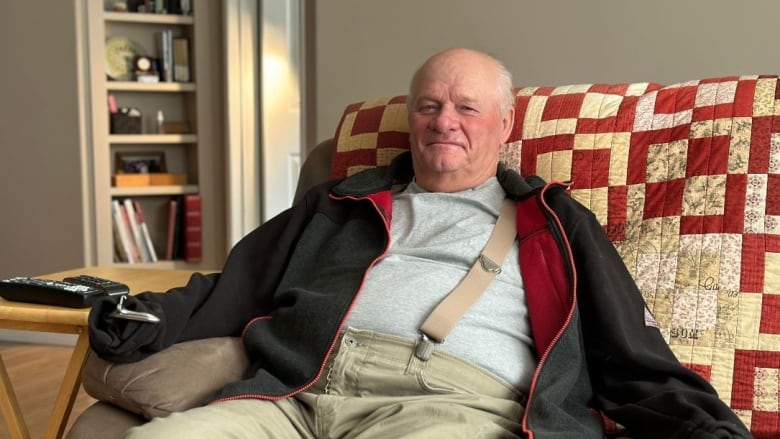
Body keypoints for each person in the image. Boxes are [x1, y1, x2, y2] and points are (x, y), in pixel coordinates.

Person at [89, 48, 752, 438]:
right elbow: (234, 284)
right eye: (430, 106)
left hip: (444, 403)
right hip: (295, 390)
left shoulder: (553, 222)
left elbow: (635, 355)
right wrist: (135, 317)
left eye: (466, 107)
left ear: (503, 123)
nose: (444, 122)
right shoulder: (341, 203)